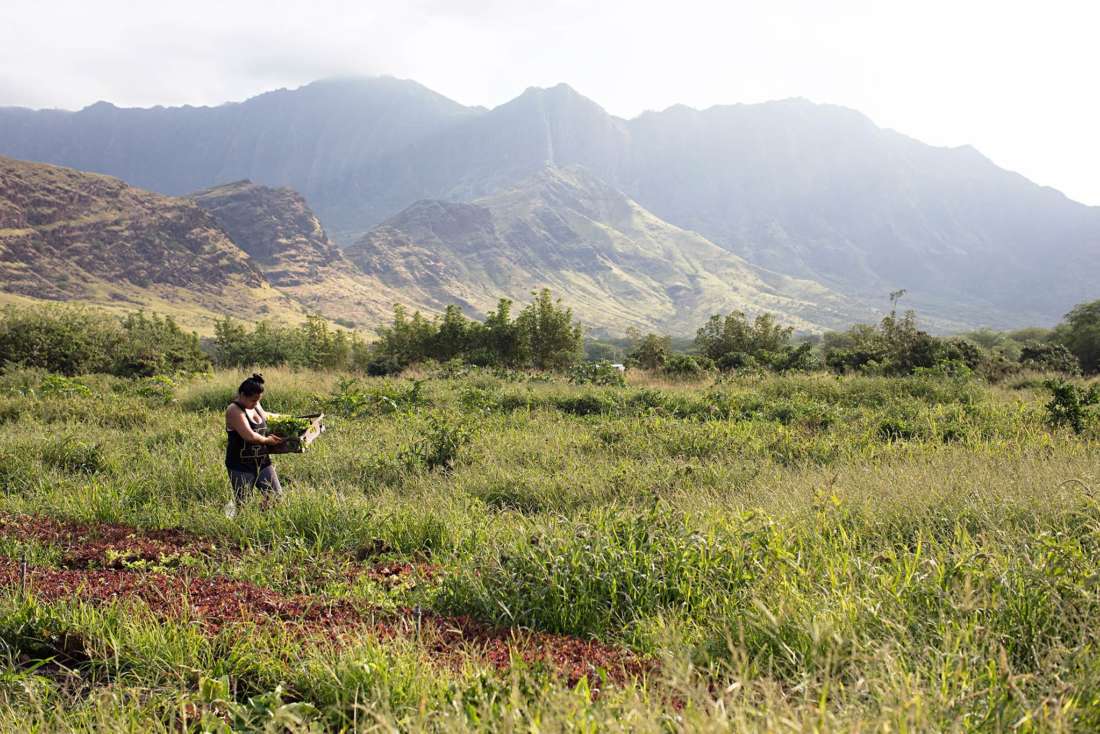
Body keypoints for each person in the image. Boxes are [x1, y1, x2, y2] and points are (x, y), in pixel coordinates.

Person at [224, 373, 284, 514]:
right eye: (253, 400)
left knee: (276, 496)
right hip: (240, 464)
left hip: (262, 461)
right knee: (244, 504)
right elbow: (249, 436)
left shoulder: (255, 405)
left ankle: (263, 518)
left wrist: (289, 419)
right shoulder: (234, 410)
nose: (255, 403)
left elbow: (267, 415)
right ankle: (242, 526)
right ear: (242, 395)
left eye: (258, 400)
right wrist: (268, 441)